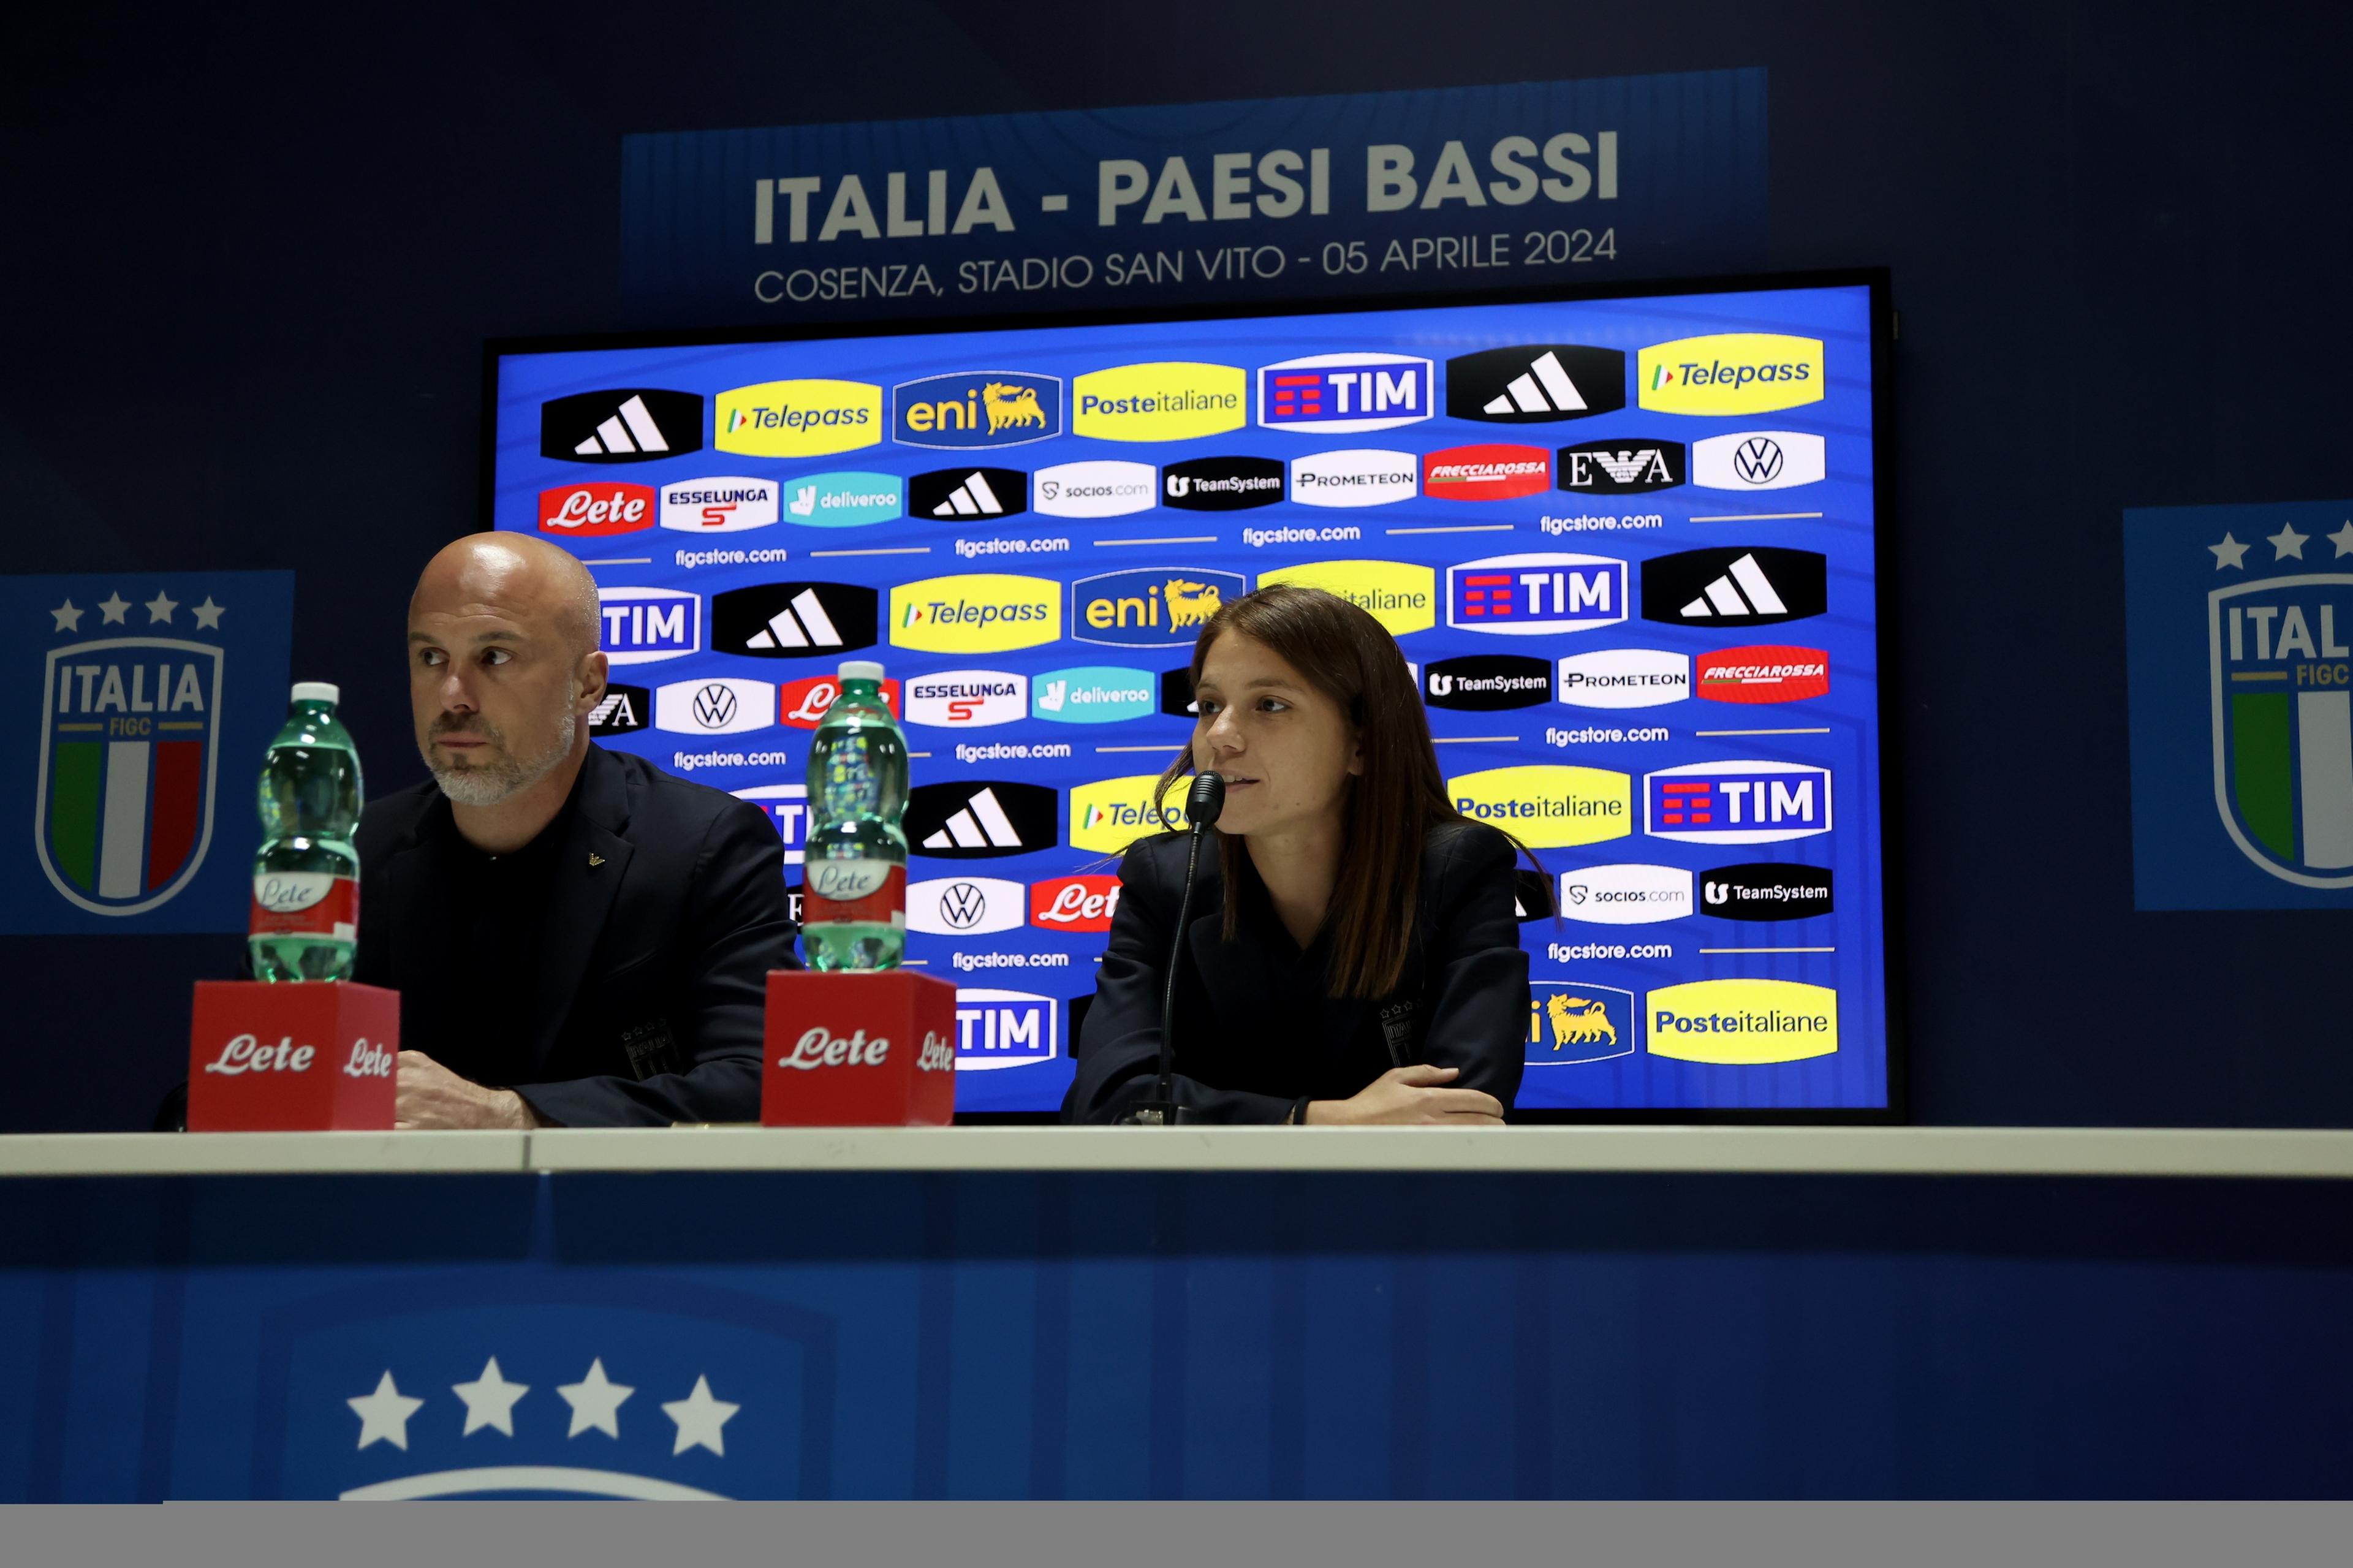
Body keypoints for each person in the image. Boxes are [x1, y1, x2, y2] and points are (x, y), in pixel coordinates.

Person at [354, 533, 797, 1128]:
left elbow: (759, 1084)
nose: (453, 696)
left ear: (588, 684)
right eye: (431, 658)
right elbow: (231, 1088)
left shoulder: (705, 845)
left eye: (495, 657)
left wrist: (513, 1118)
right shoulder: (357, 854)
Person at [1061, 585, 1534, 1126]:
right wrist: (1320, 1121)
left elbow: (1464, 1112)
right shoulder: (1167, 880)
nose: (1220, 736)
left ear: (1362, 744)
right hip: (1205, 1209)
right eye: (1209, 705)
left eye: (1270, 705)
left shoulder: (1458, 871)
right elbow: (1105, 1106)